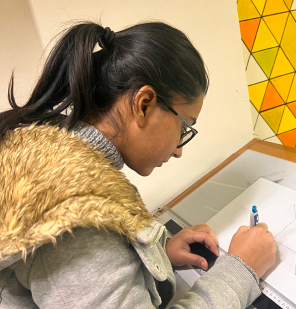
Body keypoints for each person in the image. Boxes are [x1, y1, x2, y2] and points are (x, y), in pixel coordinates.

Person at [0, 21, 276, 308]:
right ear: (143, 104)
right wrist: (241, 269)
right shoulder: (76, 221)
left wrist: (155, 258)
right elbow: (85, 264)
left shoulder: (46, 152)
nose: (178, 151)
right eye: (184, 128)